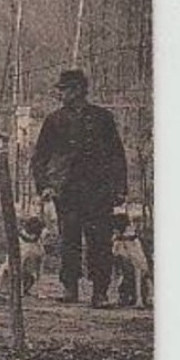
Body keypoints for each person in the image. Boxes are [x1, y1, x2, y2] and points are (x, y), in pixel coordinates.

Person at [30, 69, 128, 307]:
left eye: (63, 89)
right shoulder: (54, 120)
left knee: (100, 242)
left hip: (99, 191)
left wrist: (119, 188)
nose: (59, 94)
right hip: (67, 191)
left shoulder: (102, 118)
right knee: (69, 240)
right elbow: (40, 157)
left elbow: (117, 154)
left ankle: (100, 293)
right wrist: (44, 186)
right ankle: (70, 288)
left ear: (77, 90)